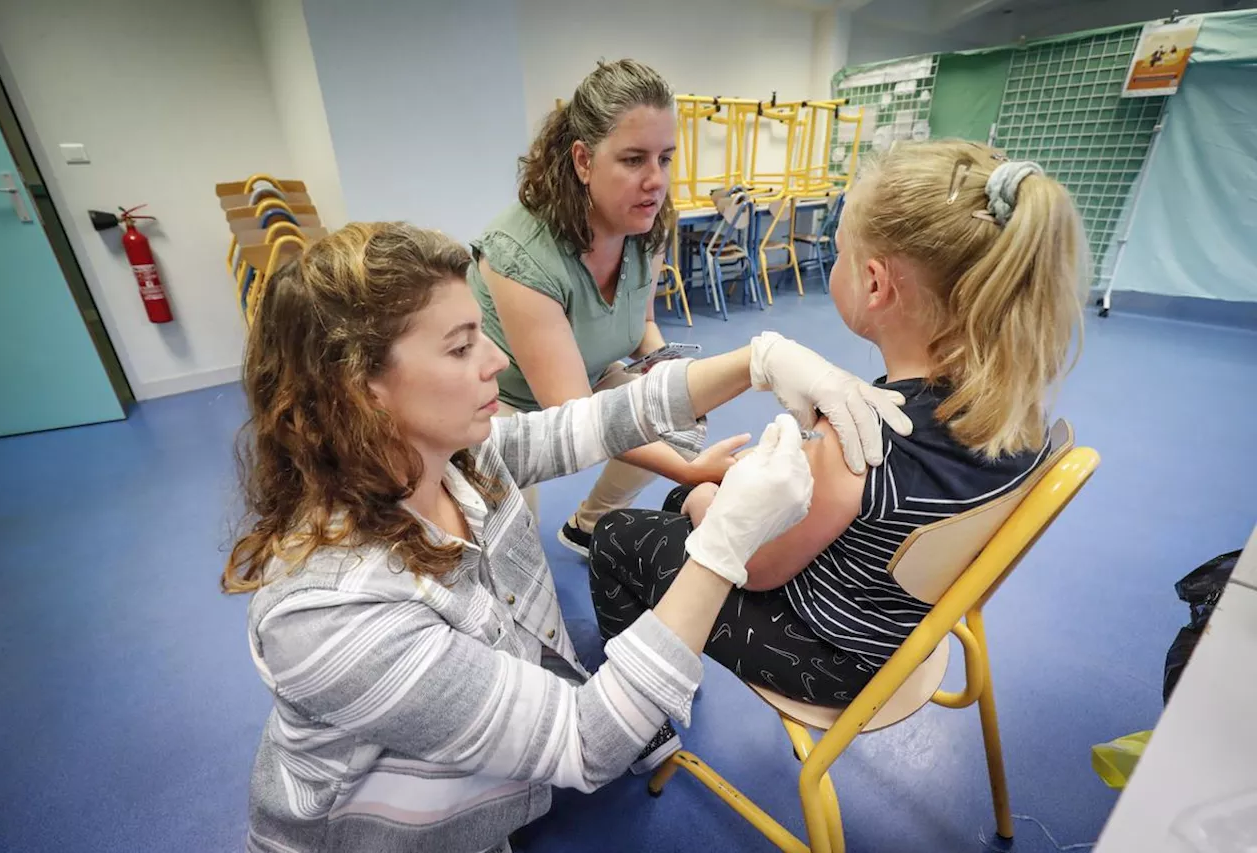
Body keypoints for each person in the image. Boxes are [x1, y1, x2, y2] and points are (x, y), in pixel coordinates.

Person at [223, 221, 908, 853]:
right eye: (461, 346)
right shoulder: (329, 617)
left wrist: (757, 360)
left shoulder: (457, 454)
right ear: (359, 387)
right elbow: (586, 741)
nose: (495, 358)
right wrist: (724, 545)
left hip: (474, 806)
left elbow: (596, 421)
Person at [589, 141, 1088, 722]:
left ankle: (639, 714)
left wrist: (709, 500)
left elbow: (756, 569)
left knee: (621, 534)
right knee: (684, 499)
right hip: (906, 631)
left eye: (840, 251)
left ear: (874, 284)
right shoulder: (1018, 412)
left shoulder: (857, 439)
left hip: (828, 656)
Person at [469, 59, 766, 558]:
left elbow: (643, 321)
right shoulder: (520, 255)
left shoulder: (646, 225)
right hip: (506, 405)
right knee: (513, 547)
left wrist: (669, 367)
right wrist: (690, 471)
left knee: (680, 415)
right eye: (633, 160)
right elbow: (575, 417)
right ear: (584, 161)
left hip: (588, 374)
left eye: (665, 159)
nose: (656, 180)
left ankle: (590, 524)